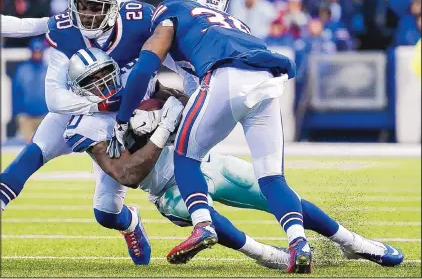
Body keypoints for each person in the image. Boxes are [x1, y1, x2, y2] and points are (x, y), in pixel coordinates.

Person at [106, 0, 398, 273]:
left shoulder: (172, 11)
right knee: (272, 177)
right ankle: (327, 244)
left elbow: (145, 68)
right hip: (265, 78)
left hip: (224, 82)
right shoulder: (232, 25)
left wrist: (126, 117)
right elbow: (193, 95)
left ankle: (202, 224)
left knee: (185, 155)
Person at [67, 47, 403, 269]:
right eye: (92, 82)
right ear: (80, 91)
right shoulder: (85, 125)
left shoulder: (142, 87)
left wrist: (175, 108)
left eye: (104, 74)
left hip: (203, 162)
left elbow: (189, 104)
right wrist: (160, 129)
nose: (103, 84)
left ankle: (354, 243)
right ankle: (267, 255)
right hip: (166, 190)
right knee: (197, 218)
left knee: (281, 197)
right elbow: (127, 174)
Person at [0, 0, 169, 266]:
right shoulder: (65, 30)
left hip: (119, 120)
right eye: (82, 5)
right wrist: (99, 105)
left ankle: (130, 223)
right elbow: (54, 98)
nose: (88, 14)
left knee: (106, 213)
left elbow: (176, 51)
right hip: (83, 107)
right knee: (24, 162)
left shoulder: (141, 20)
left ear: (115, 6)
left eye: (97, 7)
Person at [12, 37, 49, 141]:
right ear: (31, 51)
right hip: (26, 117)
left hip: (44, 116)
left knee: (45, 146)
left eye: (39, 51)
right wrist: (18, 113)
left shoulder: (49, 69)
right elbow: (15, 92)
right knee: (28, 147)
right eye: (34, 51)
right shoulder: (22, 69)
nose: (37, 54)